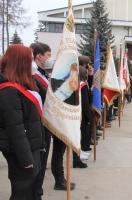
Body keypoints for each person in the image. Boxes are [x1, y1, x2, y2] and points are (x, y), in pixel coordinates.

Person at [0, 44, 44, 199]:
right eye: (30, 59)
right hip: (20, 154)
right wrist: (26, 160)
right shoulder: (9, 91)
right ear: (20, 62)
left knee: (29, 191)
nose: (33, 63)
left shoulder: (19, 85)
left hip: (29, 149)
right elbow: (16, 130)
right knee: (22, 193)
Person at [30, 42, 76, 191]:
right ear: (39, 56)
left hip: (51, 120)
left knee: (51, 156)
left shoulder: (43, 75)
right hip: (43, 123)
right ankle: (38, 190)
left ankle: (42, 188)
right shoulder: (34, 77)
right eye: (48, 55)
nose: (51, 59)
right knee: (40, 161)